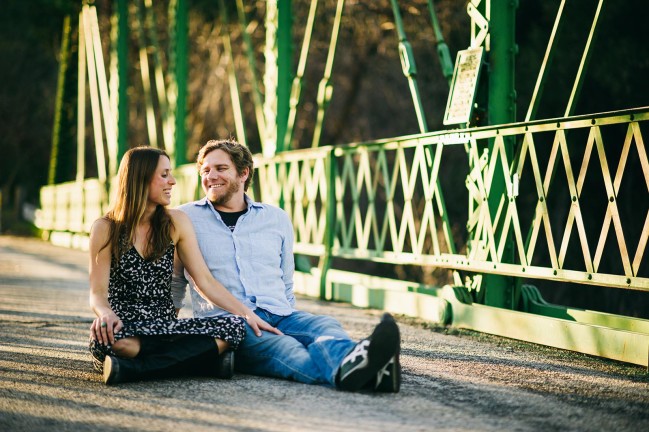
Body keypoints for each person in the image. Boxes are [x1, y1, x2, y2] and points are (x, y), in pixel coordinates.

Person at [172, 139, 402, 392]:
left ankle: (365, 369)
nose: (211, 176)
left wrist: (287, 314)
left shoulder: (276, 218)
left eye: (220, 168)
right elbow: (175, 280)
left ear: (244, 172)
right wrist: (161, 335)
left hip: (280, 313)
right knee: (287, 349)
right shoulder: (186, 218)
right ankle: (368, 372)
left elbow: (286, 278)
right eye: (205, 170)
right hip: (229, 323)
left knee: (324, 326)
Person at [89, 146, 280, 385]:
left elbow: (205, 280)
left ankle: (133, 369)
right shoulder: (106, 228)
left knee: (233, 328)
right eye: (164, 175)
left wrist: (246, 314)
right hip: (125, 325)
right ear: (140, 178)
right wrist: (106, 314)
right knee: (111, 340)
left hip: (165, 327)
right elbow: (97, 293)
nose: (172, 181)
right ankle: (203, 361)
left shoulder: (175, 222)